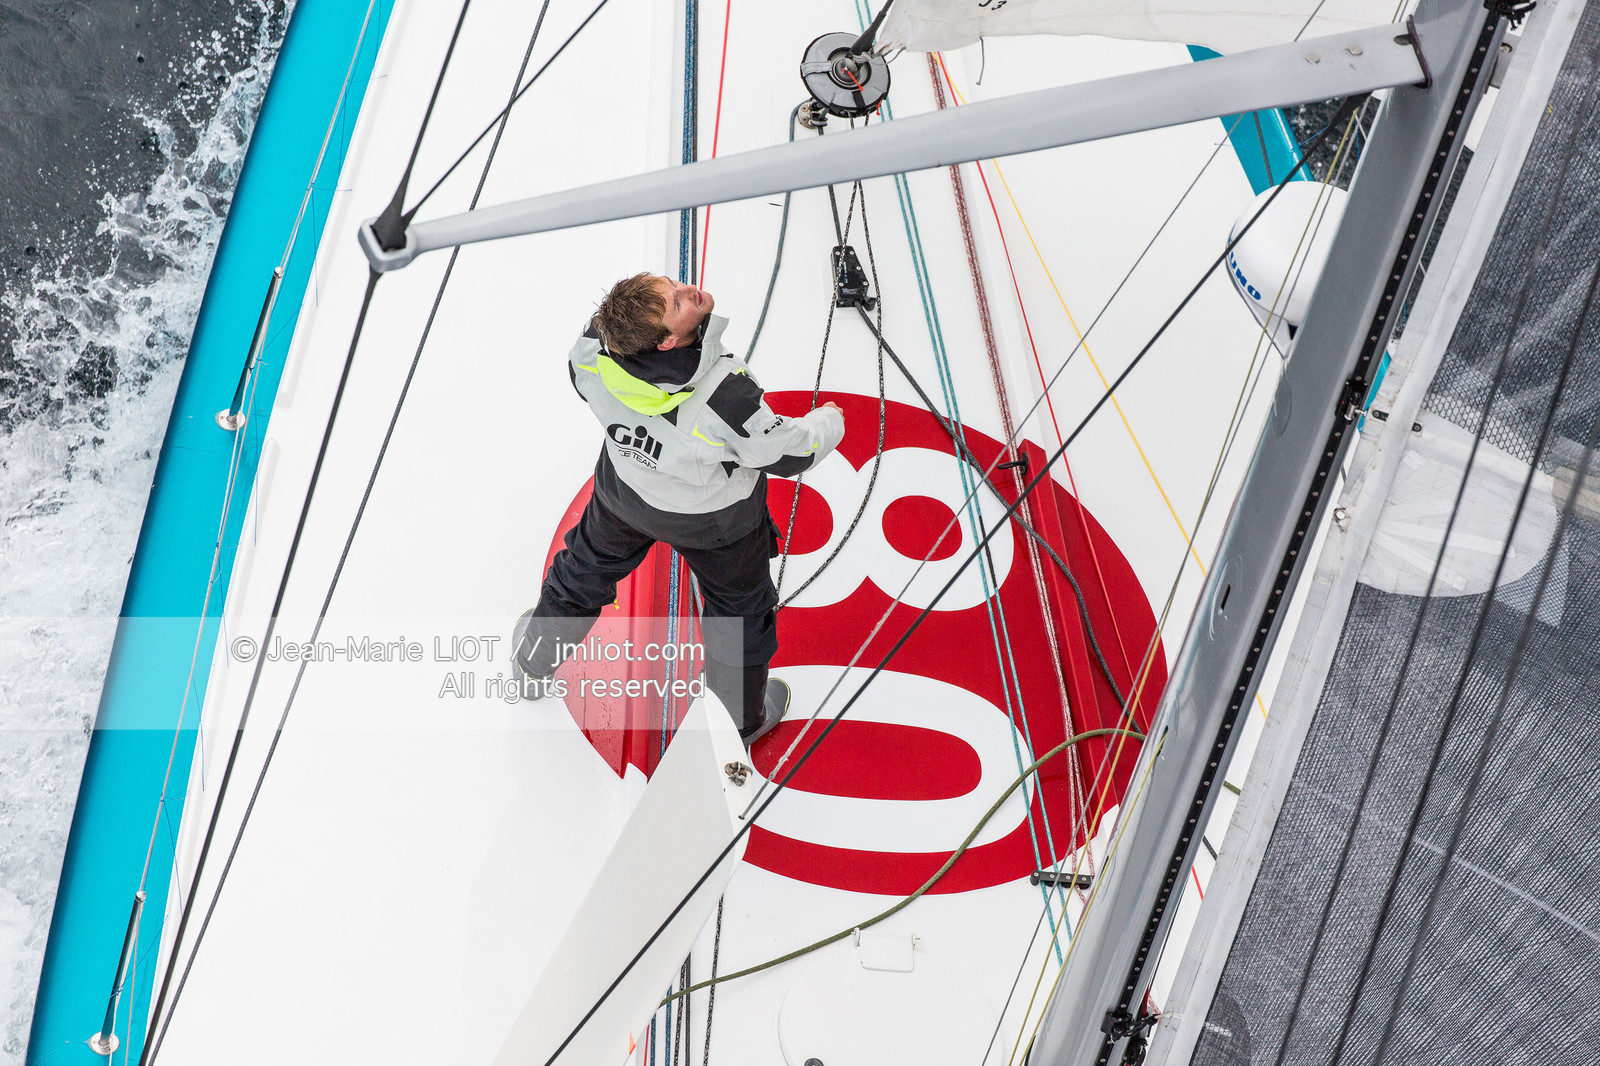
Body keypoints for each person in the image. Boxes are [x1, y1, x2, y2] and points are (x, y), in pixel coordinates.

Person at [512, 273, 846, 745]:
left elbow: (581, 368)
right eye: (676, 301)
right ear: (668, 342)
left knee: (583, 571)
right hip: (717, 524)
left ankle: (532, 661)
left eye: (672, 284)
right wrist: (830, 422)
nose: (688, 289)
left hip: (625, 495)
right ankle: (737, 726)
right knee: (739, 614)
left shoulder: (593, 352)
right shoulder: (725, 394)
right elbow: (785, 453)